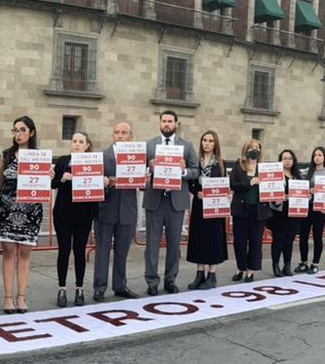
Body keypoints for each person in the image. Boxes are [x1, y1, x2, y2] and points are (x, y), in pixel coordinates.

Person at [144, 110, 200, 295]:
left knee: (174, 244)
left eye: (170, 121)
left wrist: (184, 171)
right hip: (155, 200)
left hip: (176, 201)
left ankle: (170, 280)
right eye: (164, 121)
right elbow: (140, 170)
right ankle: (152, 281)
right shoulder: (149, 145)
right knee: (152, 244)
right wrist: (149, 169)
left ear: (177, 124)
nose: (166, 124)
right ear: (159, 123)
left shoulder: (186, 145)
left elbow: (196, 171)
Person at [0, 116, 43, 313]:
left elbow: (44, 185)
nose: (18, 134)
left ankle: (21, 297)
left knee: (24, 253)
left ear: (31, 133)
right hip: (7, 209)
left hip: (31, 211)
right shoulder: (6, 156)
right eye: (15, 130)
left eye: (22, 130)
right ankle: (7, 298)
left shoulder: (39, 156)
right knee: (8, 253)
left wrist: (49, 176)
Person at [51, 131, 99, 307]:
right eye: (75, 141)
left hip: (84, 214)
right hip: (63, 213)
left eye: (81, 142)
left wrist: (101, 180)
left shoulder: (94, 162)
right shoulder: (63, 161)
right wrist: (62, 179)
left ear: (87, 145)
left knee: (80, 251)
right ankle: (61, 288)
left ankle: (79, 289)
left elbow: (98, 186)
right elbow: (51, 183)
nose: (77, 144)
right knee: (64, 251)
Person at [93, 122, 139, 301]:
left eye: (124, 132)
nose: (119, 135)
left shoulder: (137, 156)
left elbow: (142, 185)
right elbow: (94, 182)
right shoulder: (102, 156)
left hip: (127, 210)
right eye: (117, 132)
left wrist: (147, 177)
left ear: (131, 136)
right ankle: (99, 287)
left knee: (122, 251)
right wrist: (105, 183)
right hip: (106, 209)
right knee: (102, 250)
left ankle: (120, 285)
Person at [186, 130, 227, 290]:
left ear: (215, 144)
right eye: (204, 140)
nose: (207, 143)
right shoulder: (196, 161)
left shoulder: (220, 164)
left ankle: (212, 274)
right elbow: (190, 182)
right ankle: (199, 274)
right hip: (199, 203)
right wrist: (197, 192)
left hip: (215, 205)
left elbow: (224, 185)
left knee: (213, 237)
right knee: (199, 237)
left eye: (210, 141)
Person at [229, 138, 270, 283]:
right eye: (251, 147)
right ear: (246, 149)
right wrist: (249, 182)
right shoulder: (239, 166)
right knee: (239, 241)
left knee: (256, 241)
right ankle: (240, 267)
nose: (254, 150)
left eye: (257, 147)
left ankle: (251, 271)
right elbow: (233, 184)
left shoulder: (264, 168)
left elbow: (273, 187)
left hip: (259, 210)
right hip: (241, 209)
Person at [296, 146, 325, 273]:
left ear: (324, 157)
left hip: (320, 208)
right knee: (303, 235)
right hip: (308, 206)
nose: (317, 157)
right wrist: (309, 190)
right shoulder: (307, 171)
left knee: (317, 235)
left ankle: (315, 263)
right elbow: (300, 186)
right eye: (315, 155)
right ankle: (303, 261)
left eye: (320, 155)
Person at [268, 149, 300, 277]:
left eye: (290, 158)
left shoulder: (298, 177)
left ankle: (287, 265)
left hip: (293, 213)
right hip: (279, 213)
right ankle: (275, 266)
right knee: (278, 239)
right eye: (284, 158)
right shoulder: (276, 177)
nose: (287, 160)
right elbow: (269, 194)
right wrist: (277, 199)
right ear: (280, 161)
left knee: (289, 240)